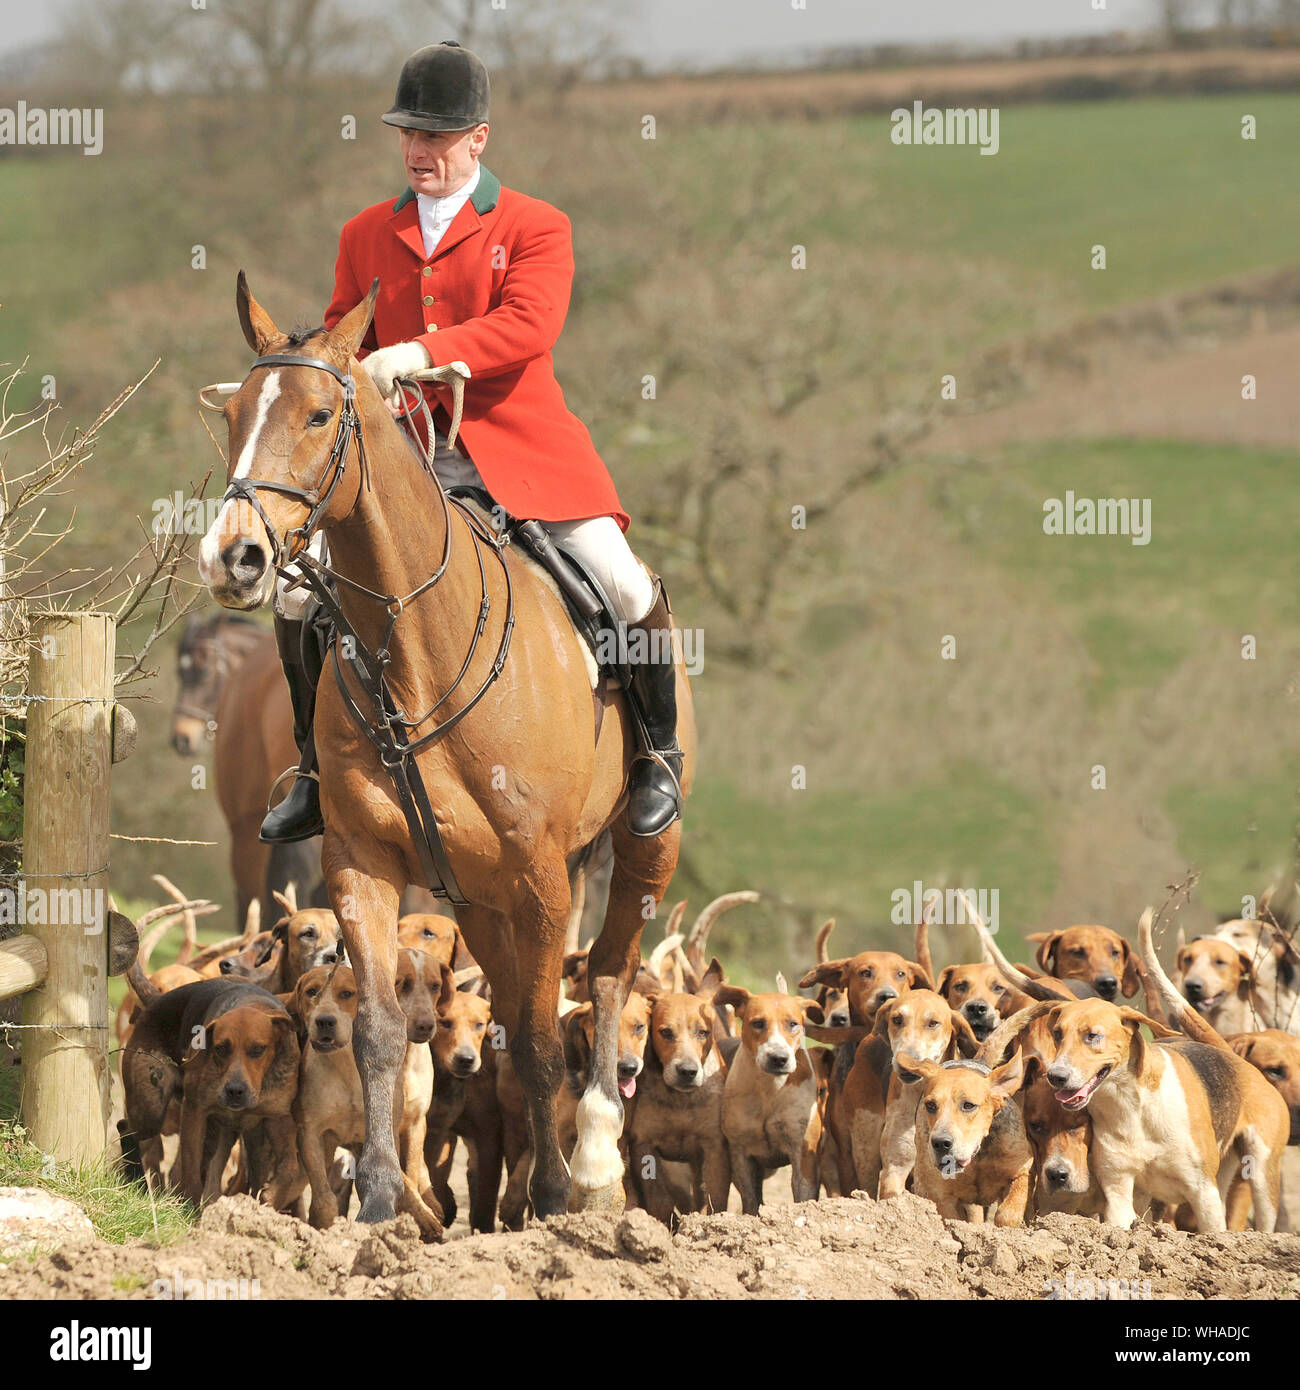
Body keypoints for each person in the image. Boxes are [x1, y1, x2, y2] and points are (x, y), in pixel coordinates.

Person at [260, 40, 683, 847]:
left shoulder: (534, 224)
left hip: (520, 452)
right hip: (401, 463)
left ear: (477, 140)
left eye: (437, 137)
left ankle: (657, 754)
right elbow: (345, 323)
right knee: (294, 596)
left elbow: (530, 324)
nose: (419, 150)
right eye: (409, 135)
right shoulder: (364, 232)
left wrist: (420, 352)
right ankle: (315, 768)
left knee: (625, 587)